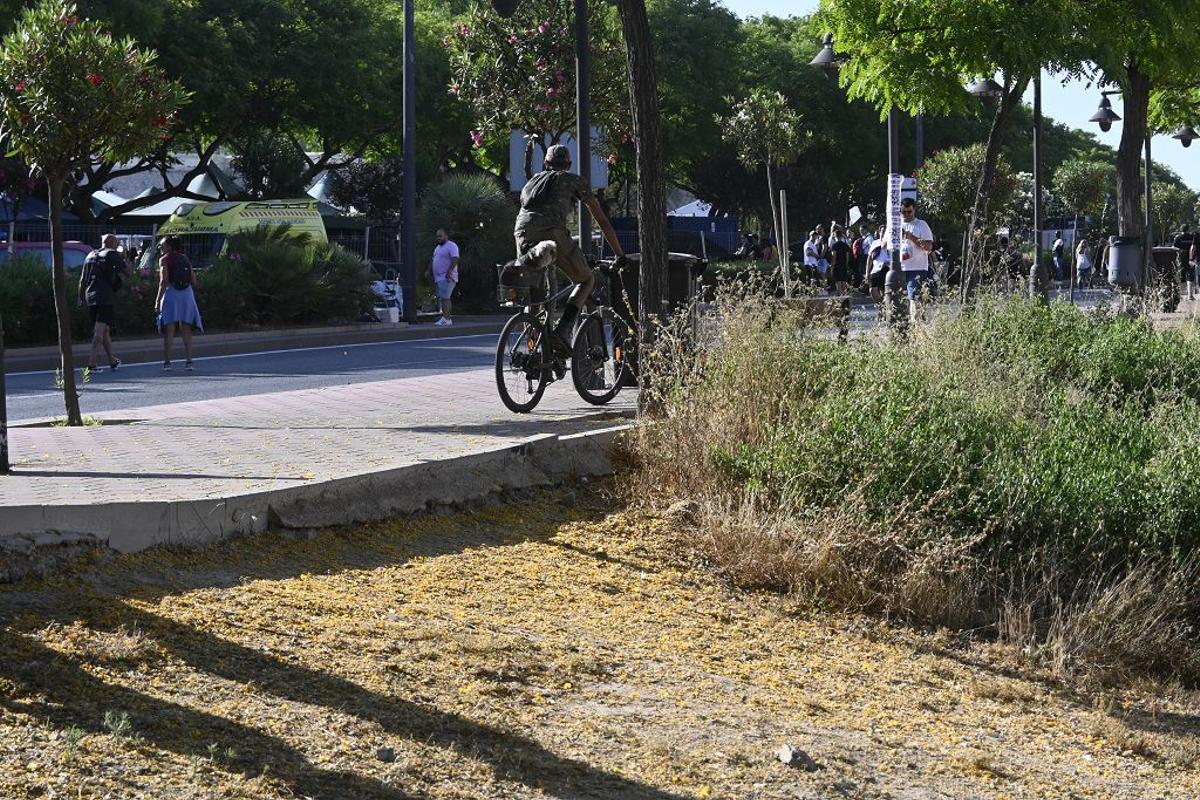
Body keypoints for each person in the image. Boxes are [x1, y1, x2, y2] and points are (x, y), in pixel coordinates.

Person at [513, 144, 626, 352]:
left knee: (535, 295)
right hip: (553, 233)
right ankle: (563, 331)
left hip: (522, 233)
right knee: (586, 280)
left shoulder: (533, 181)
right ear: (569, 164)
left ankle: (534, 352)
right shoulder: (574, 180)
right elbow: (601, 220)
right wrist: (620, 254)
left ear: (546, 163)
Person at [77, 233, 129, 372]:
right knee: (99, 331)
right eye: (117, 243)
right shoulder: (112, 254)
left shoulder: (90, 255)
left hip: (90, 296)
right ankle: (91, 364)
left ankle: (112, 361)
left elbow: (83, 279)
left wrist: (80, 298)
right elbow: (129, 272)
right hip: (105, 297)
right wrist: (125, 258)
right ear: (113, 243)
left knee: (104, 329)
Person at [155, 235, 202, 371]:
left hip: (172, 293)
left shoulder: (164, 259)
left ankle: (167, 363)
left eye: (163, 245)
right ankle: (189, 362)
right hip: (187, 294)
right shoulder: (184, 258)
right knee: (186, 328)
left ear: (169, 246)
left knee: (169, 328)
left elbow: (164, 281)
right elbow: (194, 280)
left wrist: (158, 300)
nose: (161, 247)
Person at [883, 198, 934, 303]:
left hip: (917, 268)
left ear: (914, 210)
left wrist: (912, 237)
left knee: (915, 300)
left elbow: (929, 247)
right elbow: (883, 245)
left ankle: (917, 314)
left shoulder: (922, 225)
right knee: (898, 301)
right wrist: (892, 236)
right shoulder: (894, 225)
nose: (906, 214)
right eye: (903, 212)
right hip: (898, 268)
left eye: (909, 212)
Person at [429, 228, 459, 326]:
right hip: (439, 278)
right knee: (443, 298)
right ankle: (445, 317)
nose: (438, 238)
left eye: (440, 236)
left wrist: (449, 272)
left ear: (446, 236)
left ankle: (447, 319)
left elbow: (455, 258)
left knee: (446, 297)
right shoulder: (437, 248)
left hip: (447, 277)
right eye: (437, 236)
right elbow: (433, 259)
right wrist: (428, 271)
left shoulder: (451, 245)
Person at [828, 225, 852, 295]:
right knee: (844, 282)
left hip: (837, 266)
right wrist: (847, 266)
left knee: (838, 282)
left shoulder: (834, 245)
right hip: (844, 265)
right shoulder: (845, 245)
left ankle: (841, 297)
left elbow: (834, 256)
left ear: (835, 236)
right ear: (841, 236)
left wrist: (832, 267)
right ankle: (846, 296)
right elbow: (847, 257)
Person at [1173, 224, 1194, 300]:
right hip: (1190, 259)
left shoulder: (1178, 237)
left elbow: (1174, 248)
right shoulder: (1192, 237)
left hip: (1180, 259)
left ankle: (1180, 295)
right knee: (1190, 275)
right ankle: (1190, 295)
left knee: (1180, 276)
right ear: (1188, 229)